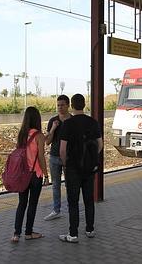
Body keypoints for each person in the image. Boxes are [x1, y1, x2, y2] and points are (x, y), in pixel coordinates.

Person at [58, 94, 103, 243]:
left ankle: (73, 234)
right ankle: (90, 229)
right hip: (89, 169)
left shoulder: (68, 124)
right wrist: (90, 158)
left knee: (73, 202)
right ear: (84, 105)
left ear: (72, 105)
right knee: (89, 200)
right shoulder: (93, 122)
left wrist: (65, 164)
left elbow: (62, 150)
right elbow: (100, 144)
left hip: (73, 169)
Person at [12, 106, 50, 242]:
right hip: (35, 175)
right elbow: (41, 157)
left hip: (22, 175)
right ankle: (29, 233)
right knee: (32, 204)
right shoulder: (38, 136)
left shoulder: (21, 134)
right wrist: (46, 175)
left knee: (22, 203)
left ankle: (16, 234)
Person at [44, 95, 71, 221]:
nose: (60, 107)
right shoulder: (53, 121)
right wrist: (53, 129)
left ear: (68, 105)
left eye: (62, 105)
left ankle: (72, 208)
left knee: (70, 184)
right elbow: (47, 142)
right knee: (56, 185)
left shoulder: (72, 120)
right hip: (54, 157)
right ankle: (56, 210)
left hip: (69, 157)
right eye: (58, 105)